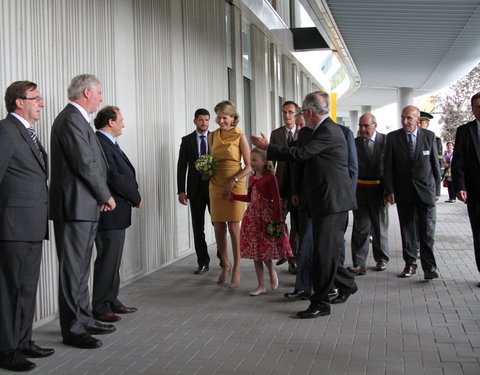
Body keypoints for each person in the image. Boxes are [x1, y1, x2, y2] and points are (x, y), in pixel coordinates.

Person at [252, 91, 358, 319]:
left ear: (310, 112)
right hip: (323, 201)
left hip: (333, 202)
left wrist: (268, 147)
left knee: (322, 254)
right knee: (323, 253)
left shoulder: (329, 131)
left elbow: (300, 154)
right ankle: (347, 283)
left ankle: (320, 303)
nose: (300, 114)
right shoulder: (318, 131)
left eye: (300, 110)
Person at [50, 74, 116, 349]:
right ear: (87, 92)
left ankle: (84, 318)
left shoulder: (79, 119)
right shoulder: (70, 119)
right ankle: (73, 329)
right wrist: (105, 195)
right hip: (75, 205)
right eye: (99, 93)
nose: (101, 98)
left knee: (80, 270)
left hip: (85, 204)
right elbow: (84, 163)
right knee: (72, 270)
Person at [0, 81, 53, 371]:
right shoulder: (6, 132)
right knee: (11, 289)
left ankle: (23, 341)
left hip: (32, 226)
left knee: (27, 287)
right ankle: (6, 350)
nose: (41, 103)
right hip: (12, 227)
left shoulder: (28, 133)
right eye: (36, 98)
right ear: (19, 102)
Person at [92, 106, 143, 323]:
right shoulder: (100, 143)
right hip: (109, 211)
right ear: (110, 122)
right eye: (121, 119)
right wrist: (136, 196)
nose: (123, 123)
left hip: (118, 210)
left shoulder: (109, 142)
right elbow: (114, 175)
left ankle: (112, 300)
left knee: (114, 260)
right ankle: (101, 306)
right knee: (107, 260)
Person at [383, 105, 440, 279]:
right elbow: (388, 167)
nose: (405, 121)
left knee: (427, 231)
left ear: (417, 119)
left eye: (409, 118)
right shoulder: (393, 138)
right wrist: (390, 190)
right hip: (404, 191)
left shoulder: (429, 137)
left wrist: (437, 190)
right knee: (407, 229)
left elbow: (435, 165)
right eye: (403, 118)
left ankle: (429, 267)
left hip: (425, 191)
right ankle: (410, 264)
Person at [230, 148, 293, 296]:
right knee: (255, 252)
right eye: (250, 159)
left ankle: (272, 272)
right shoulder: (251, 178)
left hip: (266, 217)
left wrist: (278, 220)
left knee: (264, 251)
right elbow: (250, 198)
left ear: (264, 162)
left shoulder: (271, 178)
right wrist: (234, 196)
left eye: (254, 160)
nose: (251, 162)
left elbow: (276, 200)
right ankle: (260, 285)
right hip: (252, 218)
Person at [209, 100, 251, 287]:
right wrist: (206, 169)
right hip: (216, 183)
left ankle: (237, 267)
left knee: (234, 226)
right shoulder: (212, 136)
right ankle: (225, 263)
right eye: (218, 117)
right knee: (218, 225)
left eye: (224, 117)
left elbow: (249, 166)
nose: (220, 121)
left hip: (235, 182)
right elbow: (211, 159)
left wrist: (234, 180)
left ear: (233, 118)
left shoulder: (239, 135)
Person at [348, 113, 389, 275]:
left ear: (375, 125)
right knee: (360, 227)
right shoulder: (354, 143)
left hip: (379, 190)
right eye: (360, 126)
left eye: (366, 126)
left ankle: (381, 259)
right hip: (360, 190)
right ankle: (359, 263)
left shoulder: (386, 141)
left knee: (380, 227)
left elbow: (391, 167)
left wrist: (390, 190)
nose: (363, 129)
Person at [177, 108, 211, 274]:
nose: (204, 123)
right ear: (195, 121)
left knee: (218, 224)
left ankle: (223, 258)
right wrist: (180, 191)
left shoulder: (216, 138)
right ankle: (203, 261)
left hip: (213, 188)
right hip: (194, 190)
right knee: (198, 227)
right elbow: (181, 166)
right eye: (201, 120)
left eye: (206, 120)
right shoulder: (187, 140)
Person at [452, 92, 480, 285]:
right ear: (472, 108)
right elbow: (459, 160)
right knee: (478, 233)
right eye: (477, 105)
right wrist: (460, 186)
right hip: (475, 191)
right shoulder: (465, 131)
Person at [270, 101, 299, 274]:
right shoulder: (276, 134)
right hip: (280, 184)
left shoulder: (303, 133)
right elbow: (271, 161)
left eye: (290, 112)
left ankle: (293, 258)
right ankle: (285, 249)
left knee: (296, 224)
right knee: (279, 220)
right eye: (284, 112)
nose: (287, 115)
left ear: (296, 114)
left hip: (296, 186)